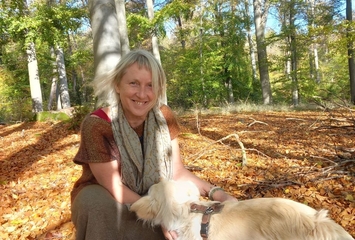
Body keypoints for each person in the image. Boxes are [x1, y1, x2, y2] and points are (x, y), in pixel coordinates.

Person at [70, 49, 237, 240]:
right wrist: (160, 216)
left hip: (153, 195)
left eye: (151, 85)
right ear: (117, 85)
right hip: (109, 199)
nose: (142, 94)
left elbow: (177, 172)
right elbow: (114, 186)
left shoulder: (163, 117)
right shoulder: (97, 125)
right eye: (134, 83)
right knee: (95, 203)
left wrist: (217, 193)